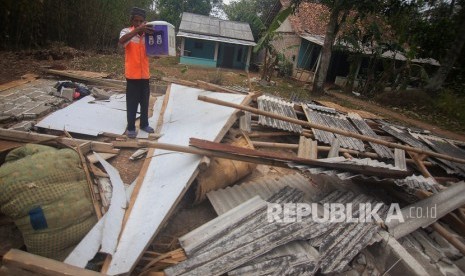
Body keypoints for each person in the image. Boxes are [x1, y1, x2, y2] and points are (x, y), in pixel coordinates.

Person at [119, 7, 155, 138]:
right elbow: (121, 41)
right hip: (132, 76)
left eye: (141, 21)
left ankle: (144, 124)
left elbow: (153, 52)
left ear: (145, 21)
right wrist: (137, 30)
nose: (139, 23)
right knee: (132, 103)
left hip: (145, 75)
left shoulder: (148, 35)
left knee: (145, 102)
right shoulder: (126, 32)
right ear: (132, 20)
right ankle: (131, 127)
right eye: (136, 20)